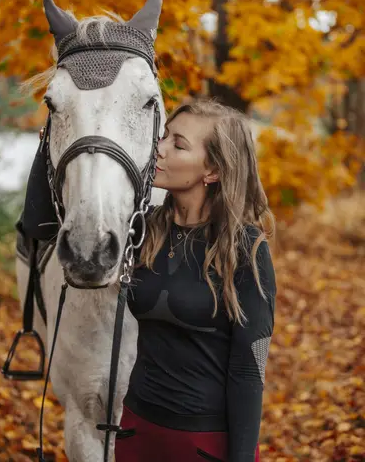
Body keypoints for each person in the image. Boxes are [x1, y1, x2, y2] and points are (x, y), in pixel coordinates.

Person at [115, 99, 277, 462]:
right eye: (163, 136)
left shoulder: (245, 248)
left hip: (202, 443)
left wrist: (241, 457)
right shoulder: (144, 228)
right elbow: (45, 227)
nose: (159, 148)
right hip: (135, 429)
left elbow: (250, 367)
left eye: (179, 144)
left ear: (213, 171)